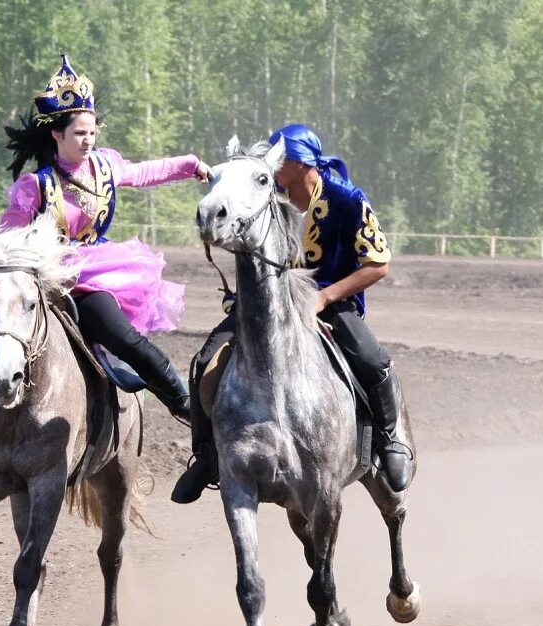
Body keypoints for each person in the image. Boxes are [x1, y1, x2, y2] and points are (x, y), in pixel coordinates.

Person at [0, 54, 210, 430]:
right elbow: (5, 238)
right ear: (57, 134)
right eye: (79, 133)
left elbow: (147, 172)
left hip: (94, 274)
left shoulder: (107, 166)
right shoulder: (34, 186)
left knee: (123, 339)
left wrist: (190, 164)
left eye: (92, 132)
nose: (87, 139)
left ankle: (183, 404)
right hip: (40, 277)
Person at [171, 123, 413, 503]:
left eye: (279, 160)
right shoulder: (267, 196)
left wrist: (323, 298)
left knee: (373, 360)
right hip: (265, 305)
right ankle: (206, 456)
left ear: (299, 164)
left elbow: (378, 264)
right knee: (204, 361)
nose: (272, 167)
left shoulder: (347, 200)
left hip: (330, 304)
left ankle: (386, 443)